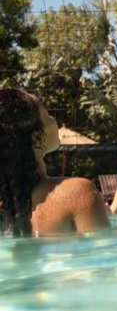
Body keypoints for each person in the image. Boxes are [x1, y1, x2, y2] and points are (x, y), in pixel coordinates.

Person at [0, 88, 110, 236]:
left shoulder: (5, 208)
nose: (54, 119)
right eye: (48, 114)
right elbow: (103, 253)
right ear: (36, 138)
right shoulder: (77, 193)